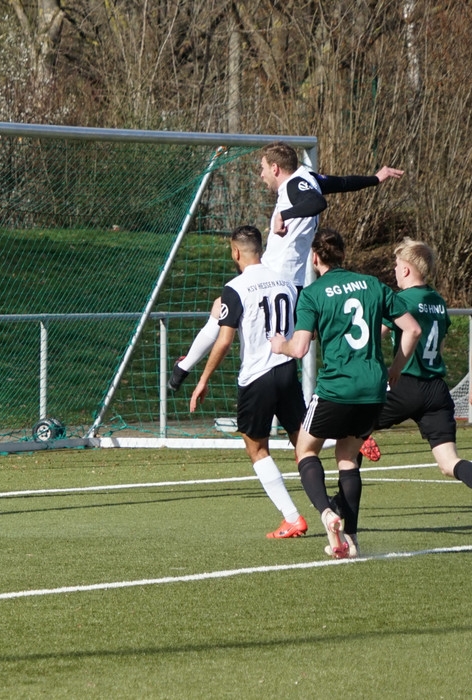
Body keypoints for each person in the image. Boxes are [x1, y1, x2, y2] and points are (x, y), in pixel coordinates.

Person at [169, 142, 404, 394]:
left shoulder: (294, 185)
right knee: (276, 333)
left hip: (276, 277)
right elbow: (342, 183)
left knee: (235, 318)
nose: (261, 174)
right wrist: (375, 179)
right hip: (290, 280)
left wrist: (284, 214)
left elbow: (317, 202)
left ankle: (184, 369)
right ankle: (184, 368)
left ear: (275, 168)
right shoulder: (308, 179)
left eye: (262, 168)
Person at [270, 228, 421, 559]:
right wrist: (395, 369)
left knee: (305, 451)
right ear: (342, 254)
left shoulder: (313, 293)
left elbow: (299, 348)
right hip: (373, 388)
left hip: (336, 388)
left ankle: (327, 513)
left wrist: (280, 345)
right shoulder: (373, 284)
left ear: (315, 257)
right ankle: (351, 540)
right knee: (348, 459)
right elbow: (412, 329)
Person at [189, 225, 309, 539]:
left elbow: (224, 340)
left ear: (236, 252)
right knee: (304, 446)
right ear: (260, 249)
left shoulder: (235, 288)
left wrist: (203, 379)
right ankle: (330, 507)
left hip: (257, 377)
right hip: (287, 370)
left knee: (256, 448)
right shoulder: (287, 282)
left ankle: (292, 517)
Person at [341, 238, 472, 494]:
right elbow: (440, 346)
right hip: (436, 389)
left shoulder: (401, 300)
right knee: (449, 463)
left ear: (406, 269)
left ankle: (344, 506)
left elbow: (373, 336)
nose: (394, 269)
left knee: (350, 428)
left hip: (405, 384)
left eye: (396, 264)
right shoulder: (437, 300)